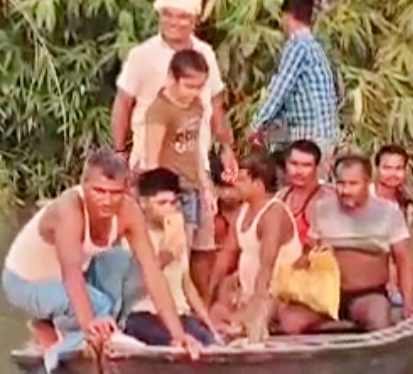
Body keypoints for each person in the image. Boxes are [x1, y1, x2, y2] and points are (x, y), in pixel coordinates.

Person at [0, 149, 202, 370]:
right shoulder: (69, 210)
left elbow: (152, 272)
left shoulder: (129, 211)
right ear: (83, 185)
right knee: (100, 306)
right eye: (98, 191)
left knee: (127, 267)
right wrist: (90, 325)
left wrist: (179, 335)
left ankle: (87, 329)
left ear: (126, 191)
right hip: (25, 281)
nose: (106, 200)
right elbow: (71, 274)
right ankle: (60, 343)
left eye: (114, 193)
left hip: (76, 277)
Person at [112, 0, 238, 294]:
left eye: (183, 17)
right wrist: (119, 151)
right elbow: (123, 104)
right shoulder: (143, 56)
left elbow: (216, 106)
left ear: (194, 21)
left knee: (203, 242)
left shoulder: (204, 54)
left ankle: (197, 309)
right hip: (154, 164)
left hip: (194, 160)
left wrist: (226, 147)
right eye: (168, 16)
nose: (175, 22)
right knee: (160, 241)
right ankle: (150, 306)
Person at [276, 155, 413, 334]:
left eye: (353, 184)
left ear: (367, 183)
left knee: (379, 321)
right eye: (341, 183)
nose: (345, 190)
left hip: (367, 294)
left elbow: (404, 260)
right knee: (289, 322)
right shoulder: (323, 209)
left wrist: (409, 303)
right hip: (324, 295)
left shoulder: (388, 212)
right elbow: (308, 251)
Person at [208, 153, 302, 342]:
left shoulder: (274, 213)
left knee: (247, 320)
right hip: (247, 290)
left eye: (242, 180)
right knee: (217, 310)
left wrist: (256, 307)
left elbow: (267, 265)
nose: (236, 185)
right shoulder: (242, 213)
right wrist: (208, 298)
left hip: (278, 292)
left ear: (258, 185)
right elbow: (225, 256)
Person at [121, 168, 218, 346]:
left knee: (209, 342)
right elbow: (135, 284)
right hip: (144, 313)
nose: (169, 208)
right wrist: (167, 254)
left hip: (181, 313)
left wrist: (208, 323)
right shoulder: (132, 236)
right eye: (162, 203)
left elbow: (186, 283)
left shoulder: (178, 232)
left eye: (173, 203)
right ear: (143, 203)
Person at [248, 0, 340, 177]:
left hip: (312, 136)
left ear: (287, 16)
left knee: (309, 193)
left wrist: (257, 124)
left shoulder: (297, 45)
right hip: (323, 133)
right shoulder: (313, 45)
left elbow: (280, 89)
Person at [137, 49, 217, 259]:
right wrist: (159, 200)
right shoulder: (160, 111)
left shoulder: (196, 105)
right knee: (174, 253)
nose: (194, 92)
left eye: (199, 87)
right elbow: (152, 159)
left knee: (192, 252)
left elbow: (195, 149)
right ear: (173, 78)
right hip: (172, 192)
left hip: (193, 187)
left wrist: (205, 186)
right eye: (189, 86)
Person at [372, 144, 413, 295]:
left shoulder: (402, 205)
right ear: (377, 169)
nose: (393, 174)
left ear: (405, 170)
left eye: (398, 169)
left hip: (388, 263)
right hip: (364, 263)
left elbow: (400, 250)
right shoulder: (366, 197)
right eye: (387, 168)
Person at [278, 139, 334, 243]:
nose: (299, 171)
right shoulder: (281, 196)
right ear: (286, 164)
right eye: (294, 164)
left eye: (306, 165)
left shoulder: (326, 199)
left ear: (316, 167)